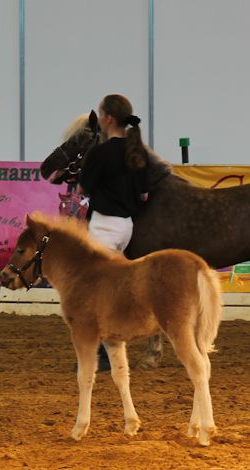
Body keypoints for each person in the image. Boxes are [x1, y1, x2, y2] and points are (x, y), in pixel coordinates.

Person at [76, 93, 149, 371]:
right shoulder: (136, 152)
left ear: (108, 119)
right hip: (126, 227)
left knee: (94, 289)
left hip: (103, 225)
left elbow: (83, 189)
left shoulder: (100, 153)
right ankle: (110, 346)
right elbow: (143, 195)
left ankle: (103, 355)